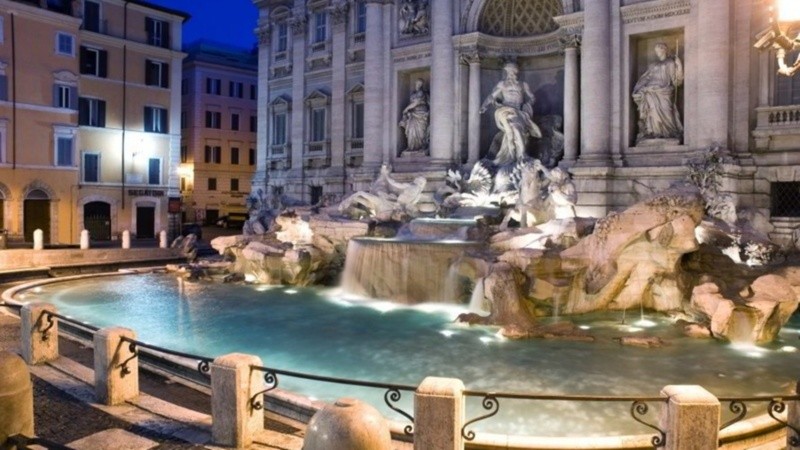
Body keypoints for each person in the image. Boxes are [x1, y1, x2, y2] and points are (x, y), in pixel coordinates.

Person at [480, 62, 541, 165]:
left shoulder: (523, 84)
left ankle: (513, 156)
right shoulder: (502, 84)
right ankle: (521, 155)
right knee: (514, 129)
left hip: (519, 111)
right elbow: (492, 96)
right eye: (509, 71)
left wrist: (527, 105)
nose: (511, 73)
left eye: (513, 71)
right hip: (505, 110)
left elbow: (532, 97)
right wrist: (484, 105)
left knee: (512, 131)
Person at [632, 42, 683, 144]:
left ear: (665, 50)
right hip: (650, 90)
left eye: (660, 49)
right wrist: (639, 88)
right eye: (656, 50)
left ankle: (669, 133)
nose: (658, 52)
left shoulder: (670, 63)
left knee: (666, 110)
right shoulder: (653, 65)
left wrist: (679, 65)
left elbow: (676, 80)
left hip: (665, 90)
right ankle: (653, 132)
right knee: (652, 110)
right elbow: (646, 77)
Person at [399, 78, 430, 154]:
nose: (418, 85)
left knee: (421, 131)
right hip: (413, 114)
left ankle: (421, 146)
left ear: (422, 85)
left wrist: (406, 109)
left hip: (421, 113)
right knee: (411, 131)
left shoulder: (421, 93)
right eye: (417, 83)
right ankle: (412, 147)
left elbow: (416, 103)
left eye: (419, 84)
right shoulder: (413, 93)